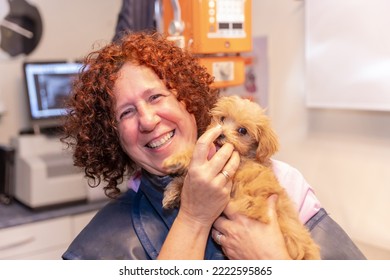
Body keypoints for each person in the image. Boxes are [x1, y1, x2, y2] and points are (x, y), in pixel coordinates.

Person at [60, 31, 366, 260]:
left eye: (156, 97)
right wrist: (194, 216)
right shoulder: (101, 243)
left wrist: (274, 261)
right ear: (113, 136)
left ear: (187, 99)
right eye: (126, 112)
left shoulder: (285, 182)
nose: (148, 120)